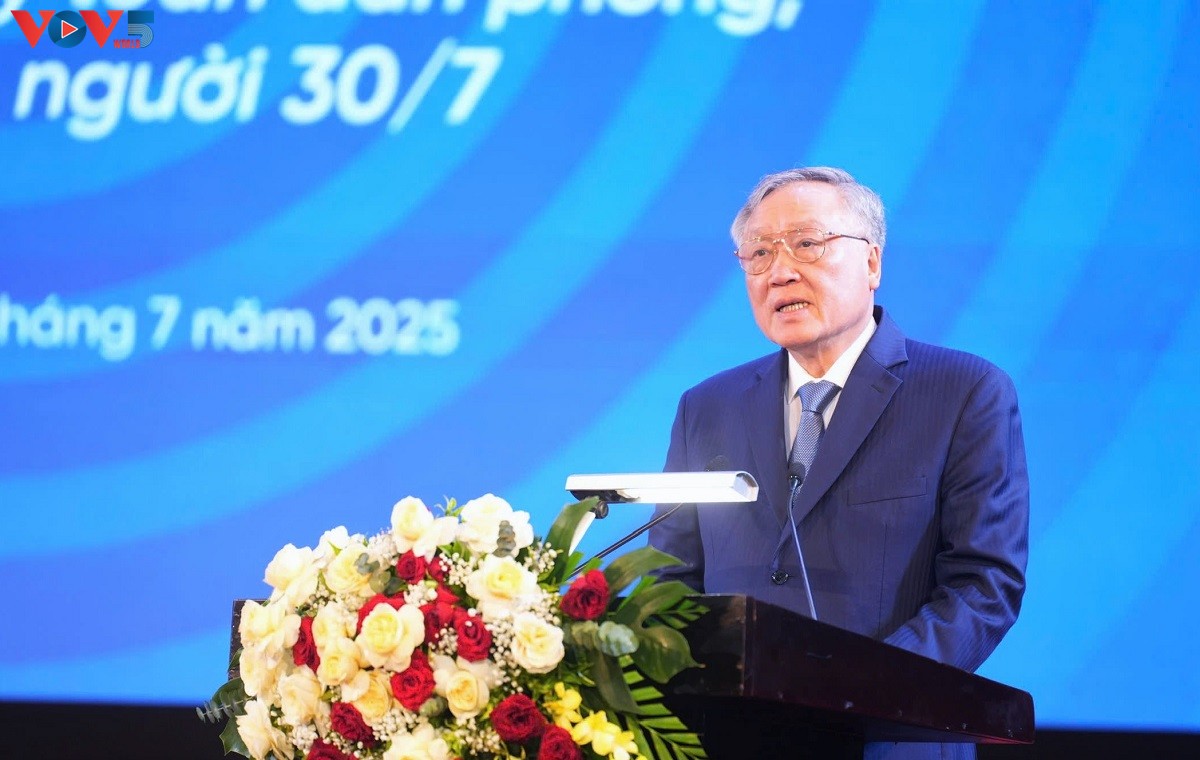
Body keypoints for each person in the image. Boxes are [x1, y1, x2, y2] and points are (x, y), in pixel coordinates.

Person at [648, 167, 1029, 760]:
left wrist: (864, 686)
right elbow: (669, 577)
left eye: (807, 243)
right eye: (759, 253)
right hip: (725, 740)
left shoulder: (963, 392)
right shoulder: (708, 407)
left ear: (872, 263)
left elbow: (983, 585)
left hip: (887, 740)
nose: (780, 271)